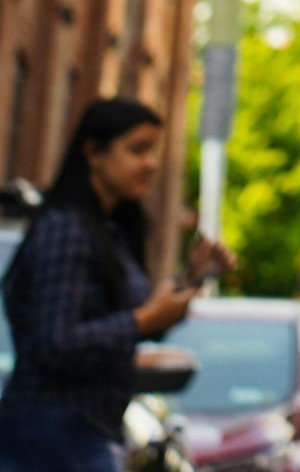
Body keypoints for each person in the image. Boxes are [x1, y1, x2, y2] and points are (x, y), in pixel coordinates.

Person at [0, 96, 225, 472]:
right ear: (93, 152)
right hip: (50, 432)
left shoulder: (108, 230)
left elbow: (130, 320)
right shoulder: (66, 230)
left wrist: (192, 277)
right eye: (138, 150)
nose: (151, 164)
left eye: (154, 151)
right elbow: (56, 343)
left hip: (84, 429)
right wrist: (143, 320)